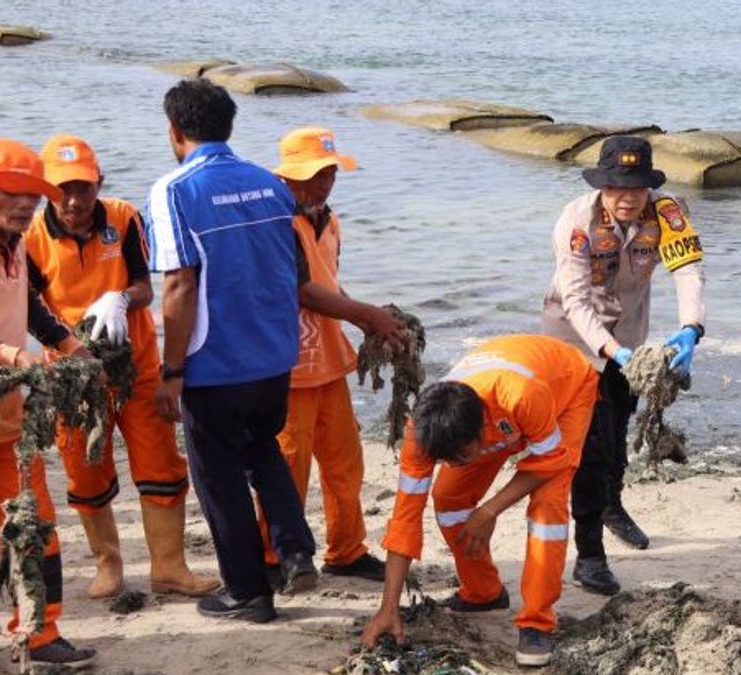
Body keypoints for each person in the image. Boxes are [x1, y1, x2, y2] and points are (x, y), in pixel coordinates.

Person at [143, 79, 318, 623]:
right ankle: (294, 549)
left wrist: (171, 372)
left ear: (174, 131)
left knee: (218, 477)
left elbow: (179, 285)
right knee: (263, 450)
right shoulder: (270, 184)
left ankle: (247, 591)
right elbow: (288, 270)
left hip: (215, 363)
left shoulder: (175, 189)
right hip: (273, 354)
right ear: (230, 126)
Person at [24, 134, 219, 600]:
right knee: (85, 472)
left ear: (100, 183)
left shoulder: (124, 218)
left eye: (85, 187)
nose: (75, 200)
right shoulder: (31, 239)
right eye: (63, 189)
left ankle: (169, 566)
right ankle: (108, 564)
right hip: (74, 376)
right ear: (47, 190)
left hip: (137, 366)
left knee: (162, 466)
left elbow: (146, 287)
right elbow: (28, 308)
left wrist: (120, 299)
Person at [362, 335, 599, 667]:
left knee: (548, 505)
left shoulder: (520, 396)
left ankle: (536, 623)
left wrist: (489, 509)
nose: (452, 465)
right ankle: (483, 592)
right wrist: (388, 608)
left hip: (566, 388)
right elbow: (405, 519)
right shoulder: (422, 432)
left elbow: (551, 461)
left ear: (482, 433)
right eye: (444, 460)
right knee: (448, 496)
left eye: (460, 457)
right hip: (502, 408)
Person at [541, 136, 706, 595]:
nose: (627, 197)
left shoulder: (668, 213)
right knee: (589, 446)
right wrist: (610, 351)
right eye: (616, 187)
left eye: (636, 187)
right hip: (573, 336)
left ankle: (612, 506)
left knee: (616, 436)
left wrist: (692, 327)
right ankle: (590, 555)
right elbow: (574, 299)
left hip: (629, 333)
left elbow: (688, 268)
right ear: (602, 186)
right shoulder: (576, 220)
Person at [257, 127, 406, 584]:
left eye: (328, 173)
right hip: (288, 365)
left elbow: (326, 282)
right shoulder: (277, 222)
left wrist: (364, 317)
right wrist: (365, 315)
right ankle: (273, 555)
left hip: (328, 361)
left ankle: (346, 550)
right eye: (312, 175)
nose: (322, 184)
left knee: (345, 462)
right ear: (286, 177)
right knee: (288, 463)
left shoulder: (329, 219)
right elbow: (300, 291)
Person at [0, 138, 98, 668]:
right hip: (7, 391)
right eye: (11, 193)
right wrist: (15, 355)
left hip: (10, 420)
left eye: (33, 197)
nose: (24, 206)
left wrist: (74, 349)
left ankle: (38, 634)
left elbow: (35, 309)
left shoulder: (14, 247)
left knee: (35, 524)